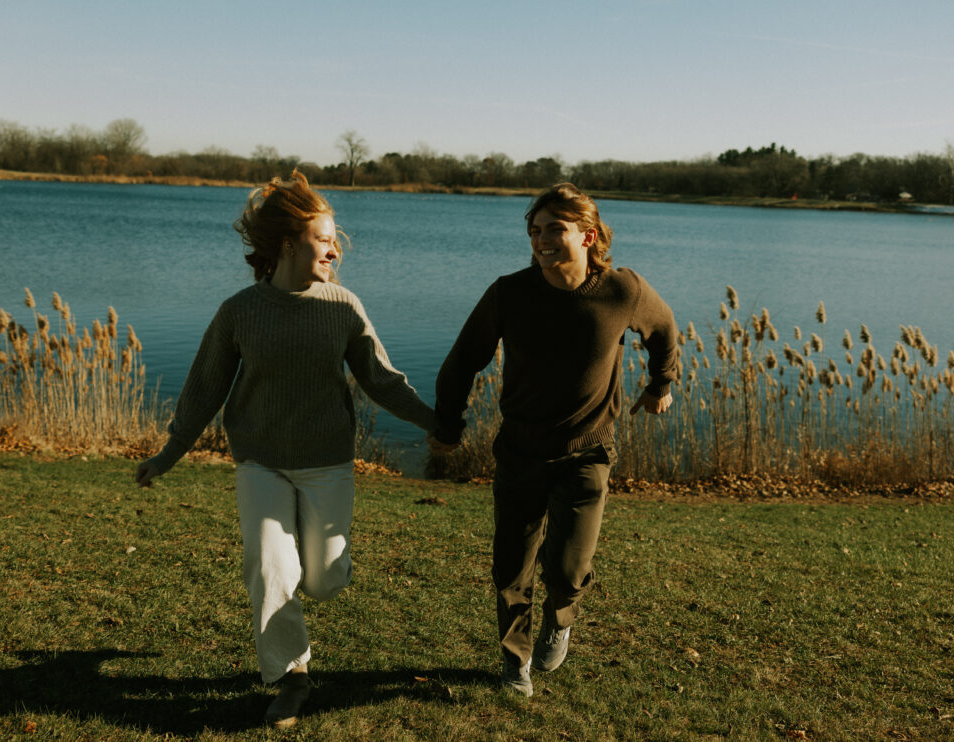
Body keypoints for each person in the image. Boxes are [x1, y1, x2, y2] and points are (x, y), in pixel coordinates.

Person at [135, 171, 436, 727]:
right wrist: (168, 454)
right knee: (270, 566)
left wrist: (434, 422)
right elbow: (205, 388)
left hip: (326, 462)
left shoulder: (343, 306)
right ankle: (292, 675)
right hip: (261, 461)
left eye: (334, 238)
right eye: (325, 238)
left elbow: (381, 379)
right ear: (288, 244)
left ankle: (323, 569)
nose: (334, 248)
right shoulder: (240, 311)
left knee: (322, 580)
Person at [431, 182, 679, 697]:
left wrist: (661, 384)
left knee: (569, 568)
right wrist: (449, 426)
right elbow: (461, 361)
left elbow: (664, 329)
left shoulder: (622, 290)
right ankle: (513, 659)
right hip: (519, 452)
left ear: (588, 236)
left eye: (555, 230)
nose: (541, 240)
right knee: (511, 567)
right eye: (534, 230)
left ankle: (560, 618)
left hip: (588, 454)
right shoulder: (510, 293)